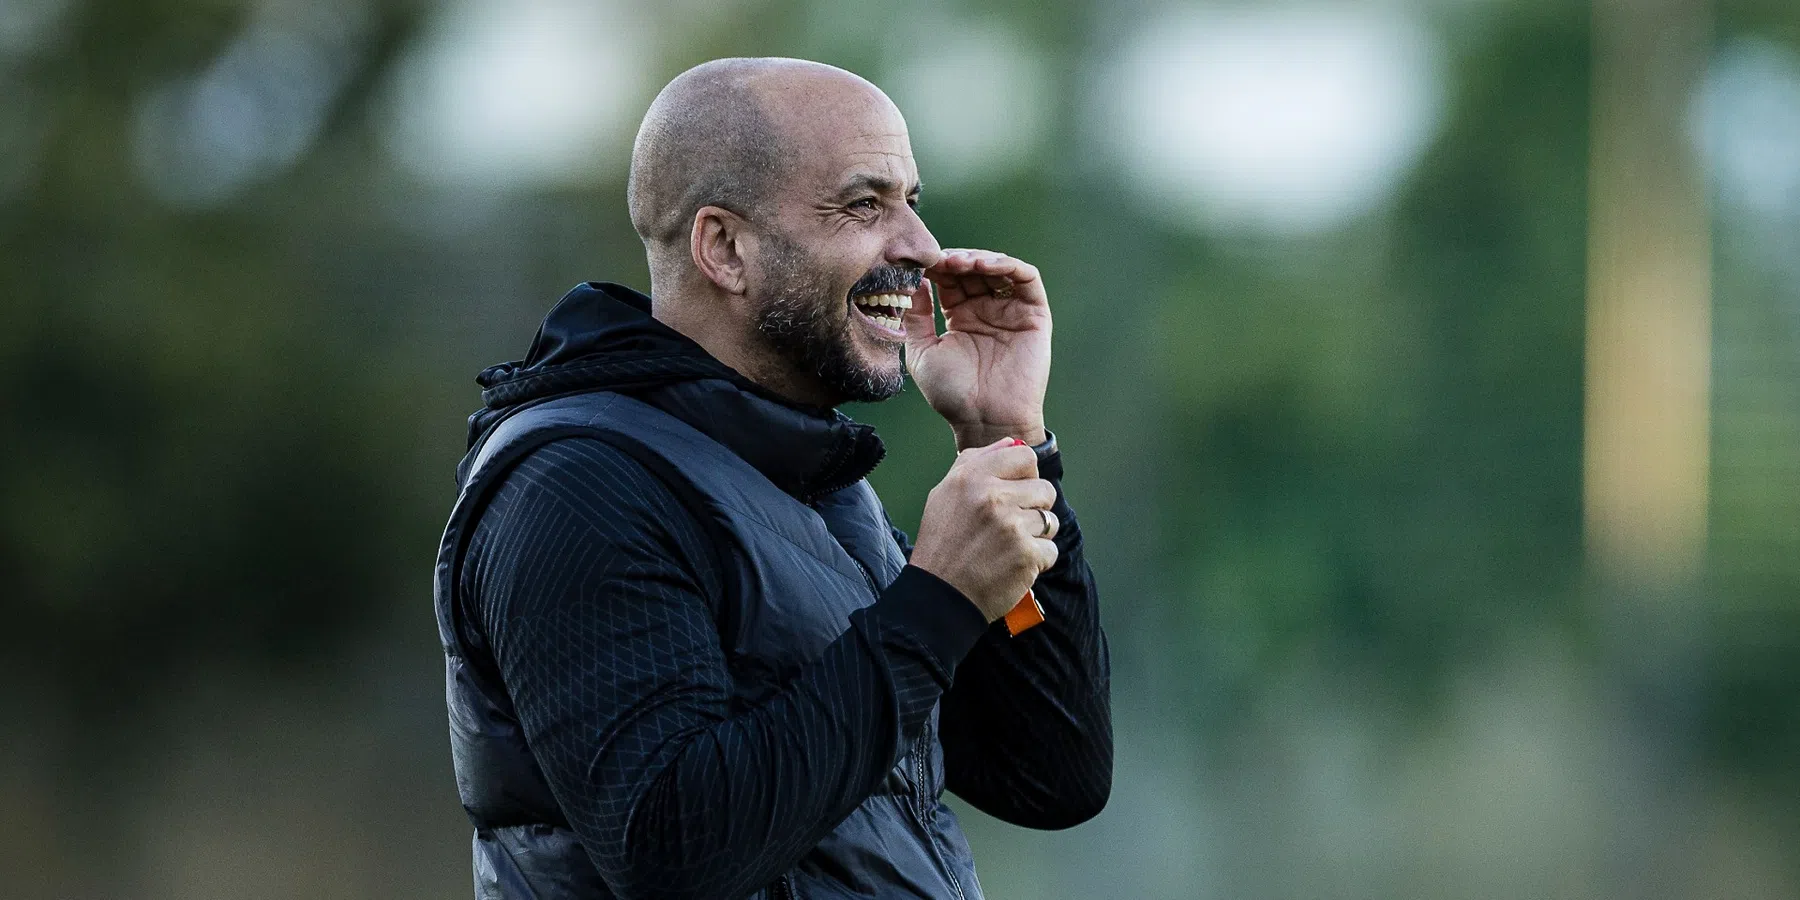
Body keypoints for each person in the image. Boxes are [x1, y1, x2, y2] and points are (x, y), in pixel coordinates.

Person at [432, 57, 1111, 900]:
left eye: (912, 204)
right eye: (864, 205)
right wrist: (935, 600)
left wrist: (1002, 437)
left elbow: (1049, 773)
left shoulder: (810, 482)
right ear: (724, 247)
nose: (922, 249)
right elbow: (673, 848)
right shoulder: (574, 486)